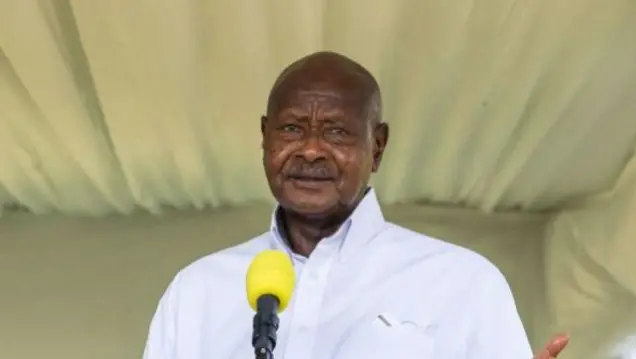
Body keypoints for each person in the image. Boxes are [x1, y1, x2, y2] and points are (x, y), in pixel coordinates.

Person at [142, 51, 569, 359]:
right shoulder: (195, 293)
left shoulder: (464, 284)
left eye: (336, 133)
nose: (310, 151)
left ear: (377, 147)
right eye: (291, 129)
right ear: (265, 137)